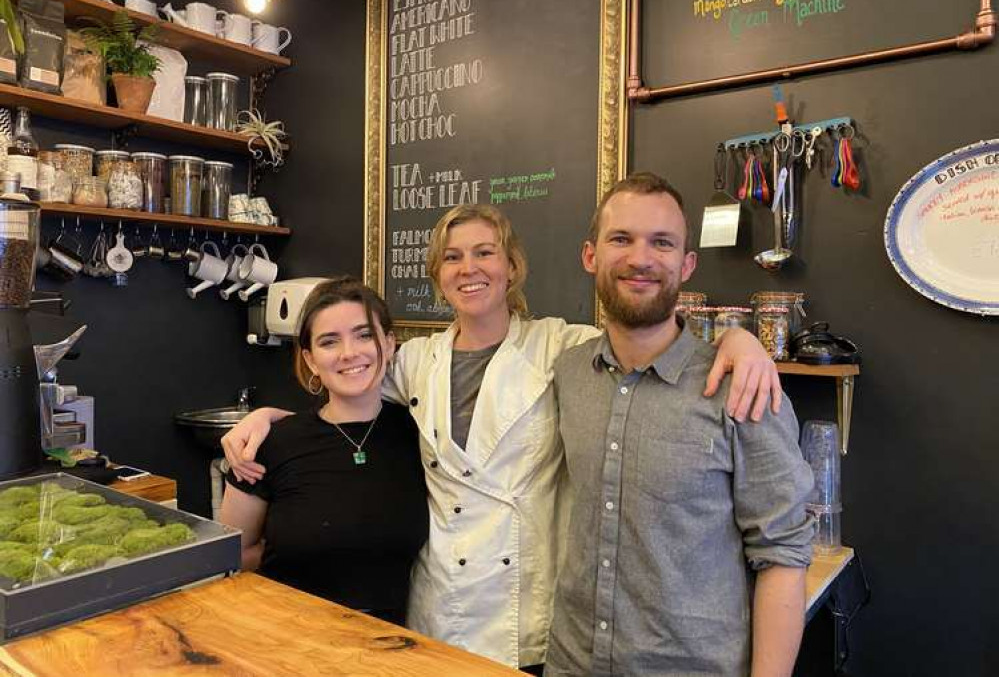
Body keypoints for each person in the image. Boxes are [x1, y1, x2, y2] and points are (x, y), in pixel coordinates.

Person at [223, 204, 781, 671]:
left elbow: (648, 338)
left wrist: (737, 340)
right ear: (437, 274)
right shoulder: (415, 360)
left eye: (485, 252)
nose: (470, 268)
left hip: (526, 614)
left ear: (512, 266)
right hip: (437, 608)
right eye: (452, 256)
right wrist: (269, 417)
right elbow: (347, 385)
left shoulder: (562, 347)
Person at [545, 173, 815, 677]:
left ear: (686, 265)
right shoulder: (568, 373)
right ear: (590, 256)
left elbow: (782, 555)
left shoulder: (744, 387)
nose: (640, 258)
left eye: (662, 243)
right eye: (620, 239)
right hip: (571, 661)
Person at [219, 278, 428, 626]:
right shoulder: (269, 444)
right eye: (329, 342)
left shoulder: (419, 434)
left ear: (389, 344)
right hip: (289, 640)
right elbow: (230, 555)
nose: (349, 353)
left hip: (392, 648)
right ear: (311, 360)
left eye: (363, 335)